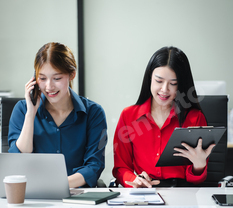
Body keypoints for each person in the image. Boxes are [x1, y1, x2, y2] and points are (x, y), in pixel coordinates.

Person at [112, 46, 215, 188]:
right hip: (145, 193)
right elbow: (121, 168)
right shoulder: (128, 116)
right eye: (159, 81)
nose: (164, 90)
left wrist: (199, 165)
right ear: (150, 78)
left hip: (183, 194)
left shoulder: (194, 118)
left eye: (173, 83)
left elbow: (196, 180)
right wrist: (134, 180)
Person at [8, 42, 107, 188]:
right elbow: (18, 160)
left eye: (57, 78)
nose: (49, 86)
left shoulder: (94, 113)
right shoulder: (22, 110)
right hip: (33, 196)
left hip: (77, 195)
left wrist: (57, 185)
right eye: (42, 78)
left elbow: (94, 165)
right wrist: (31, 114)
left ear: (71, 75)